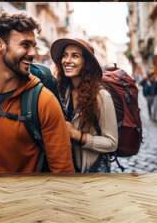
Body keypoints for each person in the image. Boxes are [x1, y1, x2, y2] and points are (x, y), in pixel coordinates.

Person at [0, 12, 75, 173]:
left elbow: (62, 170)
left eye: (33, 46)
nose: (33, 53)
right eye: (25, 45)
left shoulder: (44, 102)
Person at [50, 38, 118, 173]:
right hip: (69, 168)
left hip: (92, 170)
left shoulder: (101, 96)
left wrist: (77, 135)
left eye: (75, 56)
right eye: (65, 55)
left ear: (86, 63)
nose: (67, 60)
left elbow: (112, 143)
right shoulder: (63, 91)